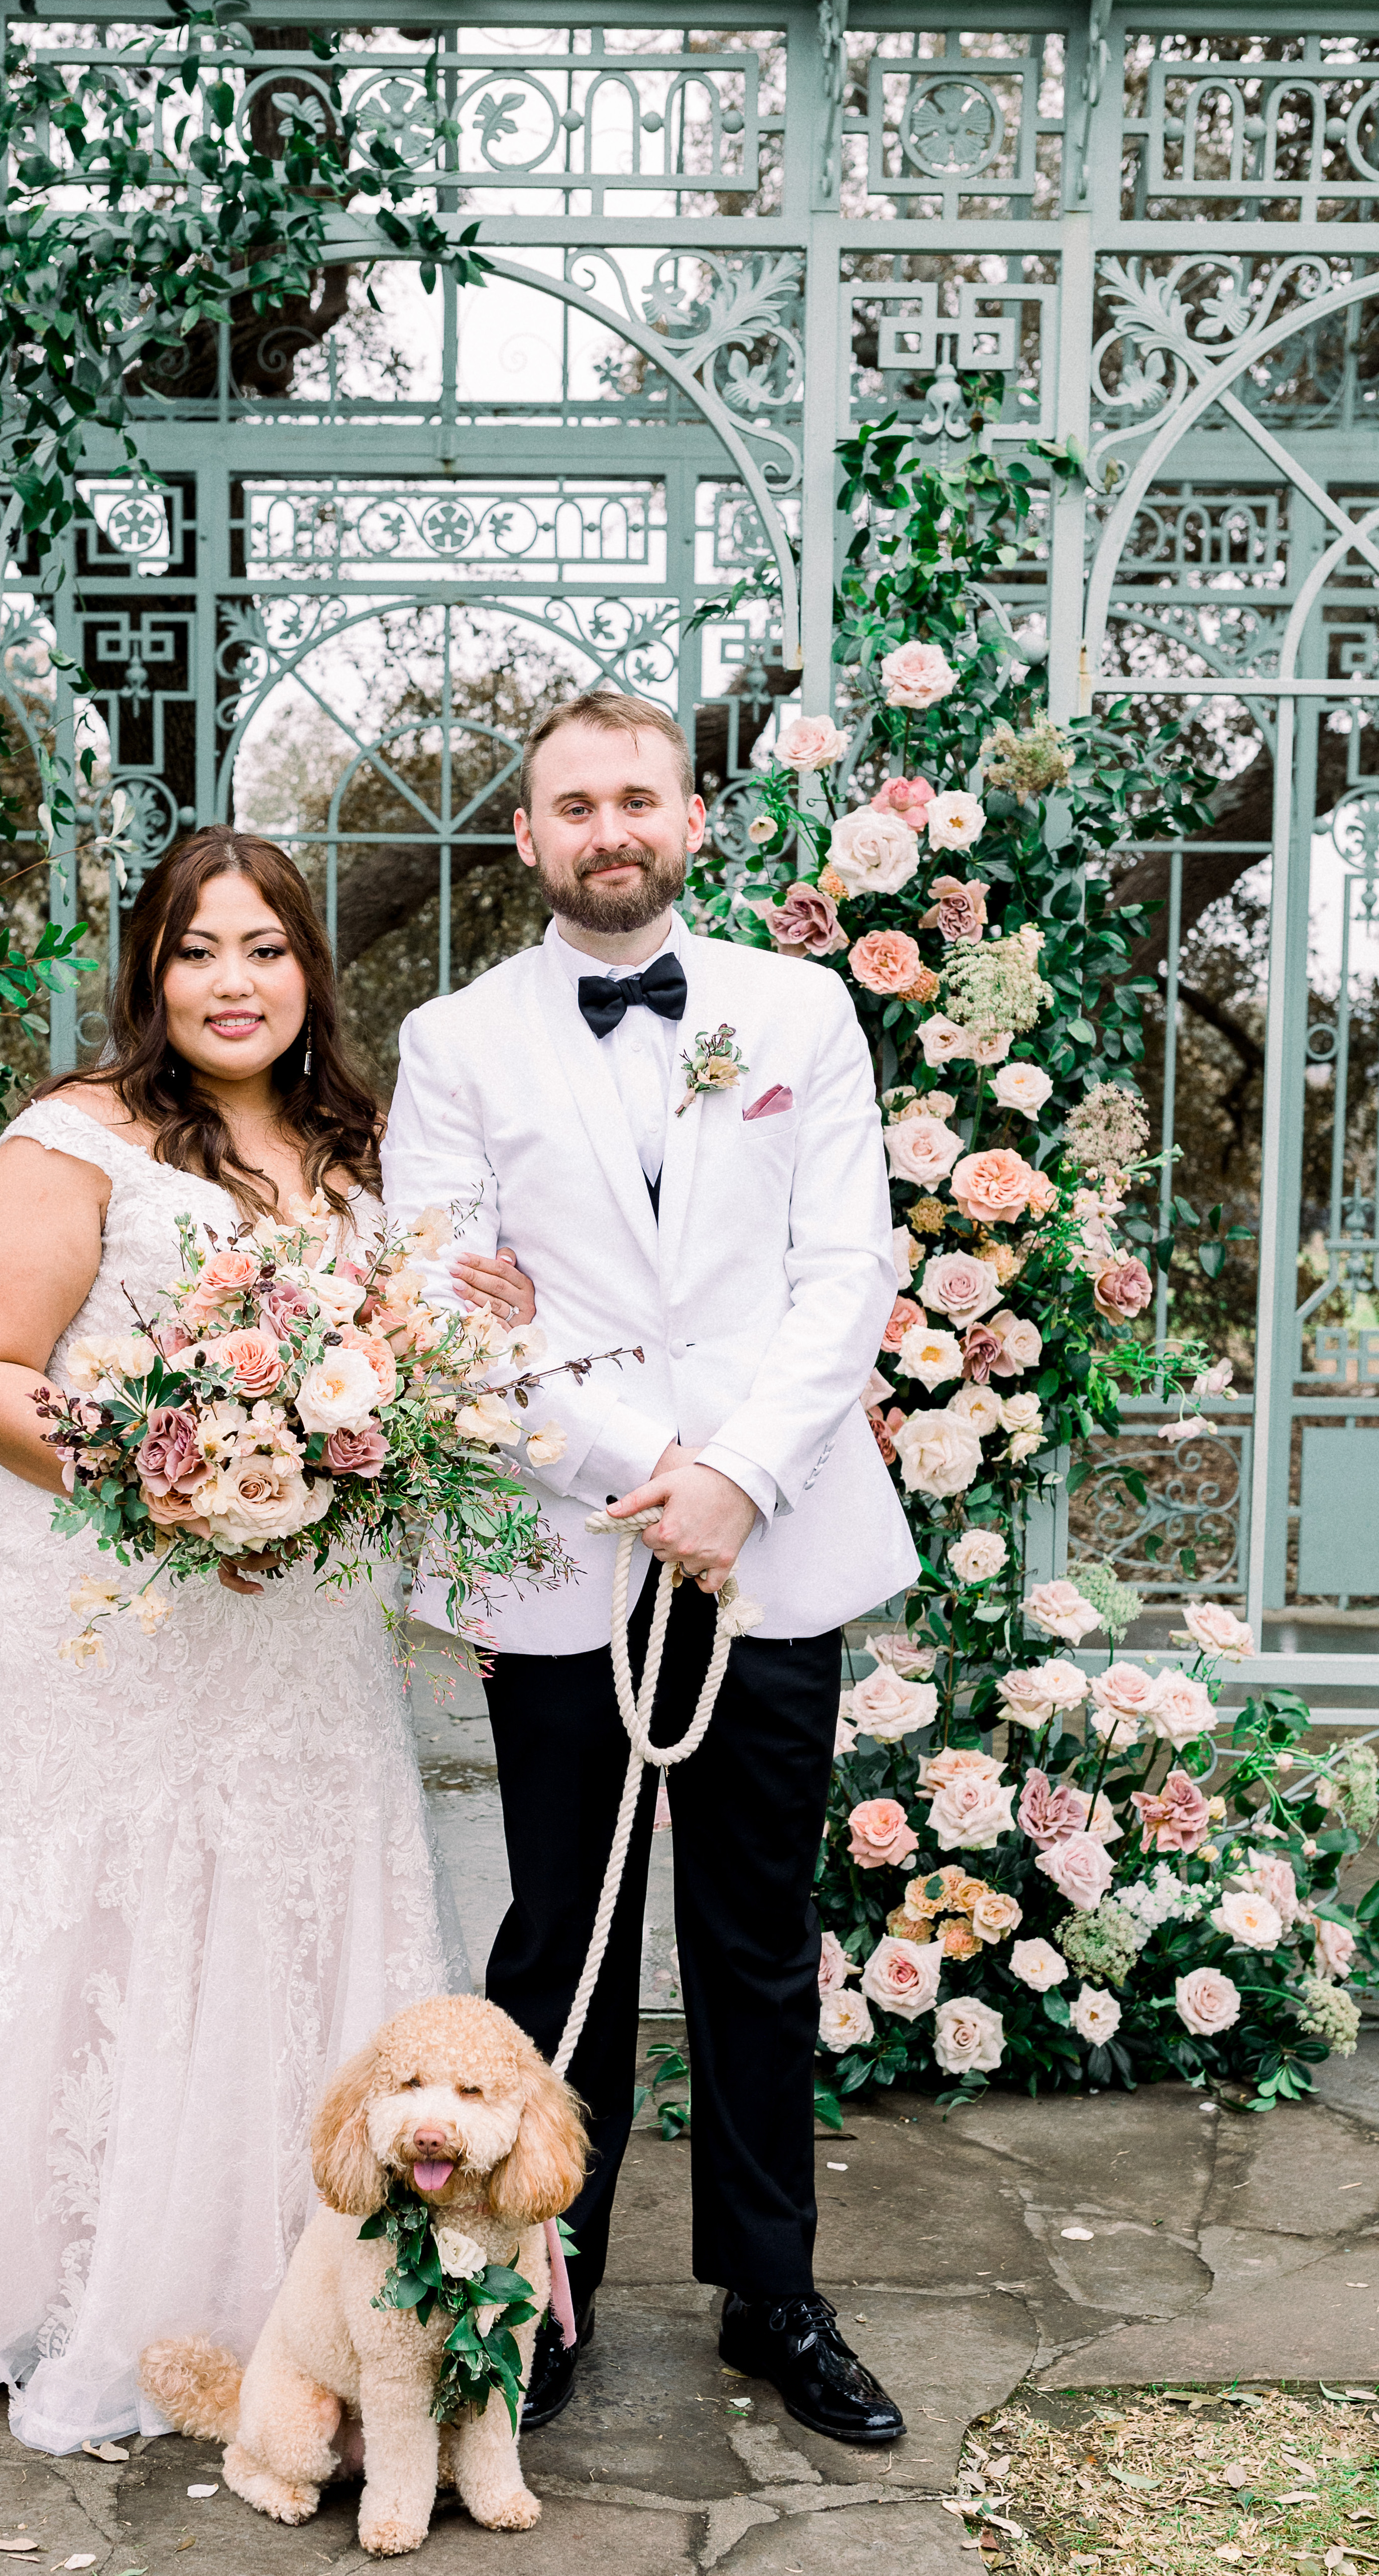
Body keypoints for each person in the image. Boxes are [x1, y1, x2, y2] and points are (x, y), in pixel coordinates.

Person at [0, 828, 531, 2451]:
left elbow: (402, 1362)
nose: (233, 983)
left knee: (291, 1894)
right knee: (106, 1921)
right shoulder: (76, 1138)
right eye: (196, 951)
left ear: (312, 972)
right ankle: (66, 2263)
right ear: (148, 973)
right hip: (114, 1616)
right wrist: (167, 1478)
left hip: (298, 1622)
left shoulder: (360, 1151)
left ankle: (311, 2287)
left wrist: (453, 1348)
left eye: (265, 950)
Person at [380, 690, 920, 2445]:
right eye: (571, 805)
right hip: (564, 1543)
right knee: (570, 1936)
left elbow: (843, 1268)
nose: (609, 828)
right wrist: (644, 1475)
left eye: (638, 798)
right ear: (525, 839)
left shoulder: (800, 1012)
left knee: (757, 1935)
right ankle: (541, 2297)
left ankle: (774, 2296)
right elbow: (437, 1306)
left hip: (772, 1546)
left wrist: (740, 1480)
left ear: (691, 825)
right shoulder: (453, 1041)